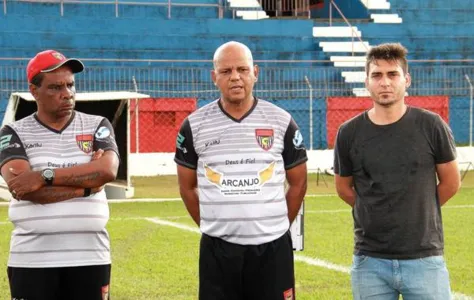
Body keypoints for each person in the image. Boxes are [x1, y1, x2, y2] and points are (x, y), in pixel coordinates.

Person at [174, 41, 307, 300]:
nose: (235, 77)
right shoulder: (194, 125)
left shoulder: (281, 121)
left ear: (255, 72)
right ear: (214, 77)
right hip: (218, 251)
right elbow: (187, 187)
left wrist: (276, 226)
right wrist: (214, 226)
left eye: (242, 69)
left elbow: (299, 184)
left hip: (273, 249)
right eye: (226, 71)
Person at [333, 43, 461, 299]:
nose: (385, 82)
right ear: (367, 82)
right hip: (370, 261)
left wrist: (419, 209)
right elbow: (343, 188)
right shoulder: (348, 133)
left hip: (424, 257)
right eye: (377, 75)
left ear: (407, 80)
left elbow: (451, 182)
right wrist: (373, 210)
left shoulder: (431, 125)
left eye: (393, 74)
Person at [0, 50, 120, 300]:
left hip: (91, 257)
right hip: (32, 260)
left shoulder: (97, 124)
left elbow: (107, 170)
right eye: (55, 87)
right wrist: (88, 186)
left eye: (70, 85)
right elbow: (26, 190)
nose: (67, 94)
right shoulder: (12, 132)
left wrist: (43, 175)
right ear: (34, 91)